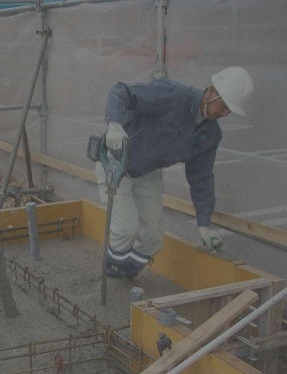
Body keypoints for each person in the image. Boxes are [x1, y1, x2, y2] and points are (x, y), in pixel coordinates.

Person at [97, 66, 254, 279]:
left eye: (230, 111)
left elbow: (202, 178)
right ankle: (112, 273)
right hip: (115, 163)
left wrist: (204, 224)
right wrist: (115, 125)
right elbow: (120, 91)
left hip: (147, 172)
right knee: (125, 229)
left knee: (153, 238)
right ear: (212, 91)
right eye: (224, 106)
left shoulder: (209, 134)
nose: (225, 114)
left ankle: (127, 274)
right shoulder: (172, 95)